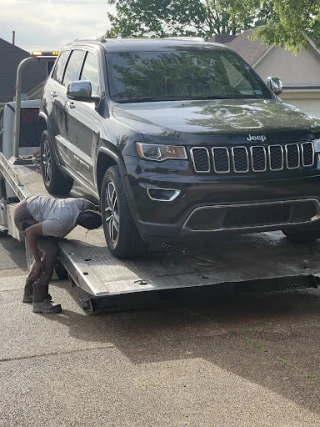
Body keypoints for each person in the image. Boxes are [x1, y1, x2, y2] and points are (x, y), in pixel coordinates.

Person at [14, 195, 102, 314]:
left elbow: (93, 206)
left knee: (50, 242)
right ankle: (40, 302)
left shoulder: (80, 203)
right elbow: (30, 232)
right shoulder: (61, 225)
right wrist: (38, 261)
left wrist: (99, 209)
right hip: (23, 216)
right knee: (50, 251)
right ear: (85, 227)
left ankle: (29, 292)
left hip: (29, 202)